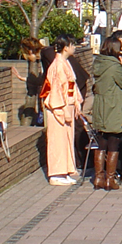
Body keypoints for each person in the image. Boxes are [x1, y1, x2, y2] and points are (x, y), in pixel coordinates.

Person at [88, 30, 122, 190]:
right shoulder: (115, 66)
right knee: (114, 142)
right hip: (113, 107)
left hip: (100, 106)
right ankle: (110, 179)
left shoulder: (99, 63)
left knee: (102, 142)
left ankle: (98, 177)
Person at [41, 38, 83, 185]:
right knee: (57, 140)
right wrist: (61, 109)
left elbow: (72, 85)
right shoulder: (57, 65)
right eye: (72, 45)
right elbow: (55, 90)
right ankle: (56, 174)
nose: (75, 48)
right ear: (66, 47)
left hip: (68, 104)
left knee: (66, 139)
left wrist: (76, 101)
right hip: (59, 106)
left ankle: (64, 171)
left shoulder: (65, 63)